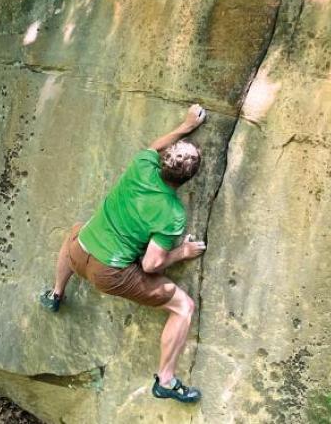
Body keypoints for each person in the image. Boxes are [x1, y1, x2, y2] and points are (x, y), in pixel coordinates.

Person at [41, 103, 208, 403]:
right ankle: (166, 381)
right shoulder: (172, 213)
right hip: (111, 273)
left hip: (80, 250)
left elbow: (154, 146)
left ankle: (55, 294)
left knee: (76, 230)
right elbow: (152, 264)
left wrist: (185, 126)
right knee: (184, 307)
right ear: (185, 180)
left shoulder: (142, 164)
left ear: (163, 161)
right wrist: (182, 251)